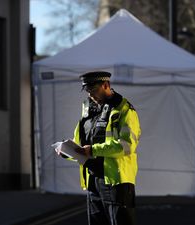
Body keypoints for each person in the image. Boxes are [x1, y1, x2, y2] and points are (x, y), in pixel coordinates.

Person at [56, 71, 141, 225]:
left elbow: (127, 145)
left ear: (106, 85)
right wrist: (66, 152)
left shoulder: (124, 109)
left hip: (116, 182)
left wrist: (93, 150)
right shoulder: (88, 110)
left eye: (94, 90)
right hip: (92, 180)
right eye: (88, 91)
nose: (91, 96)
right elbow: (81, 144)